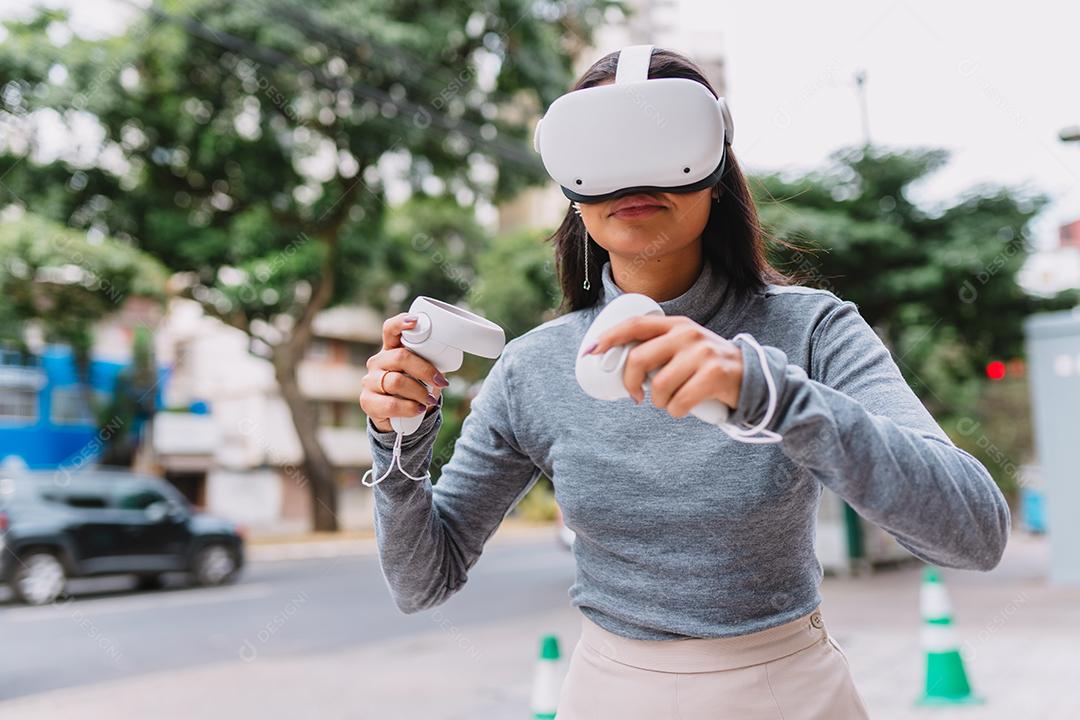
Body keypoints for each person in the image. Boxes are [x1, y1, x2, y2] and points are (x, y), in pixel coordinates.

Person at [358, 47, 1009, 720]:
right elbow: (422, 582)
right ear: (571, 189)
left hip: (787, 690)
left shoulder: (813, 330)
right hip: (609, 693)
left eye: (665, 142)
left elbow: (975, 534)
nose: (633, 177)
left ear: (717, 173)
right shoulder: (535, 367)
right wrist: (398, 440)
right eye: (603, 150)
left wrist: (773, 396)